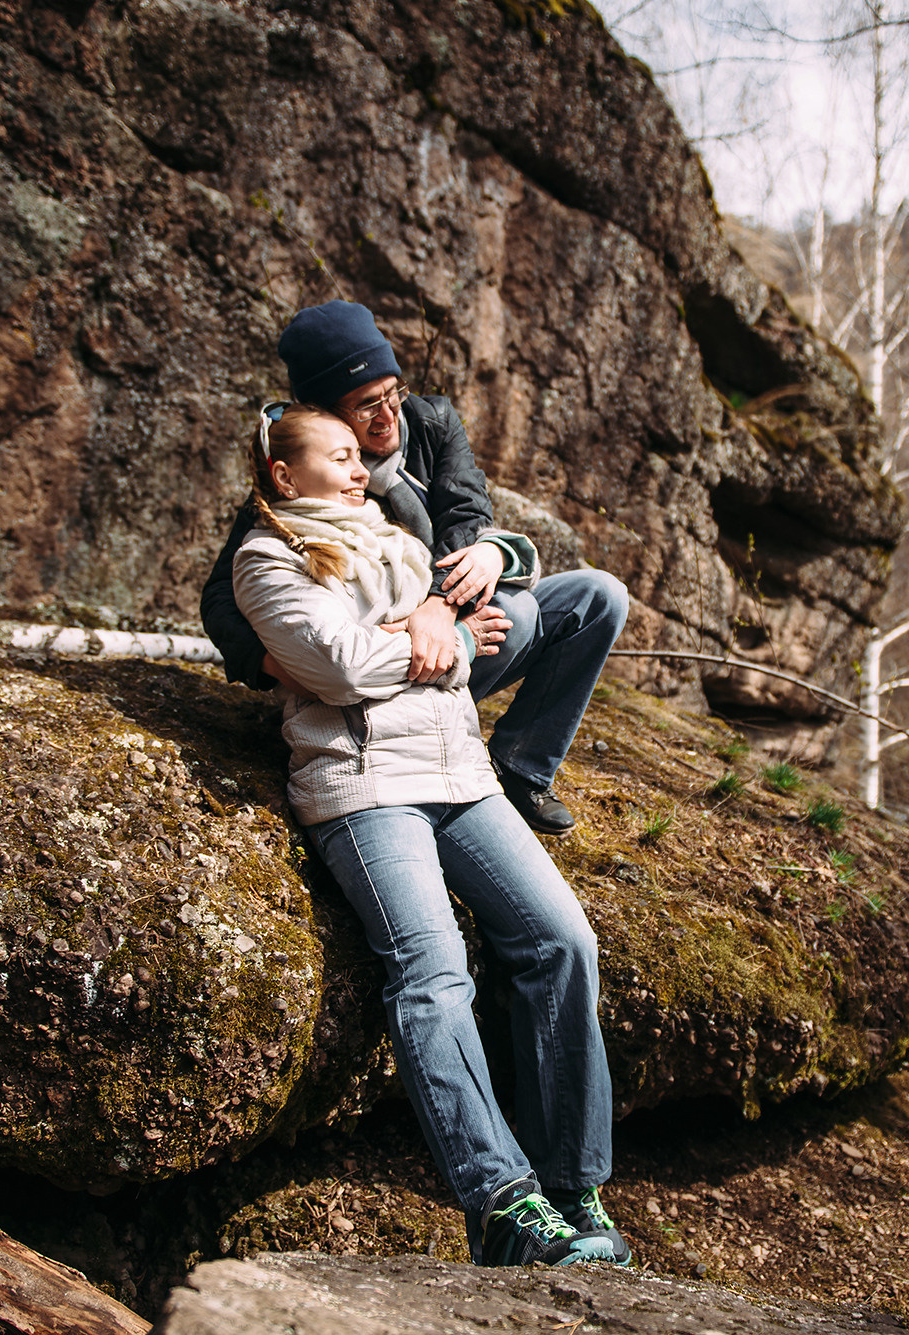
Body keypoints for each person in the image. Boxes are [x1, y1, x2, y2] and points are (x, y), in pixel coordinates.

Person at [231, 400, 630, 1267]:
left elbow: (478, 609)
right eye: (337, 457)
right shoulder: (267, 558)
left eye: (357, 457)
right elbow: (335, 668)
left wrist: (438, 616)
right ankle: (503, 1204)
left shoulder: (399, 541)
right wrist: (433, 638)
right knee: (433, 970)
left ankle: (571, 1186)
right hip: (367, 789)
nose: (358, 469)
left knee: (565, 941)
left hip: (463, 776)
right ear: (284, 476)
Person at [202, 300, 628, 835]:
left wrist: (439, 602)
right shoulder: (303, 480)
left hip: (439, 619)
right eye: (365, 407)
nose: (387, 417)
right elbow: (220, 596)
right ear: (326, 413)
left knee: (598, 595)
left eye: (392, 392)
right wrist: (274, 666)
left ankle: (522, 766)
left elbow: (468, 513)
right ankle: (397, 733)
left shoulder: (431, 421)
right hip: (372, 668)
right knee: (514, 615)